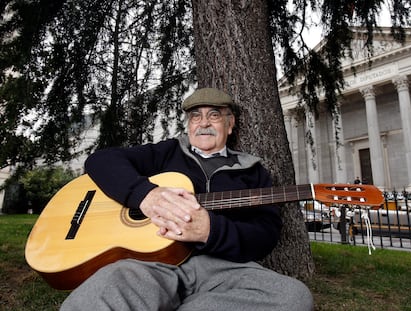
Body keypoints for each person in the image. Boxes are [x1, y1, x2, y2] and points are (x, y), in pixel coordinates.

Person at [60, 87, 313, 311]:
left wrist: (211, 231)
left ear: (230, 123)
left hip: (222, 269)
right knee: (102, 292)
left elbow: (265, 236)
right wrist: (146, 195)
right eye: (195, 116)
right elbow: (101, 161)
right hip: (149, 263)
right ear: (189, 124)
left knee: (292, 298)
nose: (203, 123)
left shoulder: (253, 171)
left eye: (214, 115)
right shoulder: (167, 152)